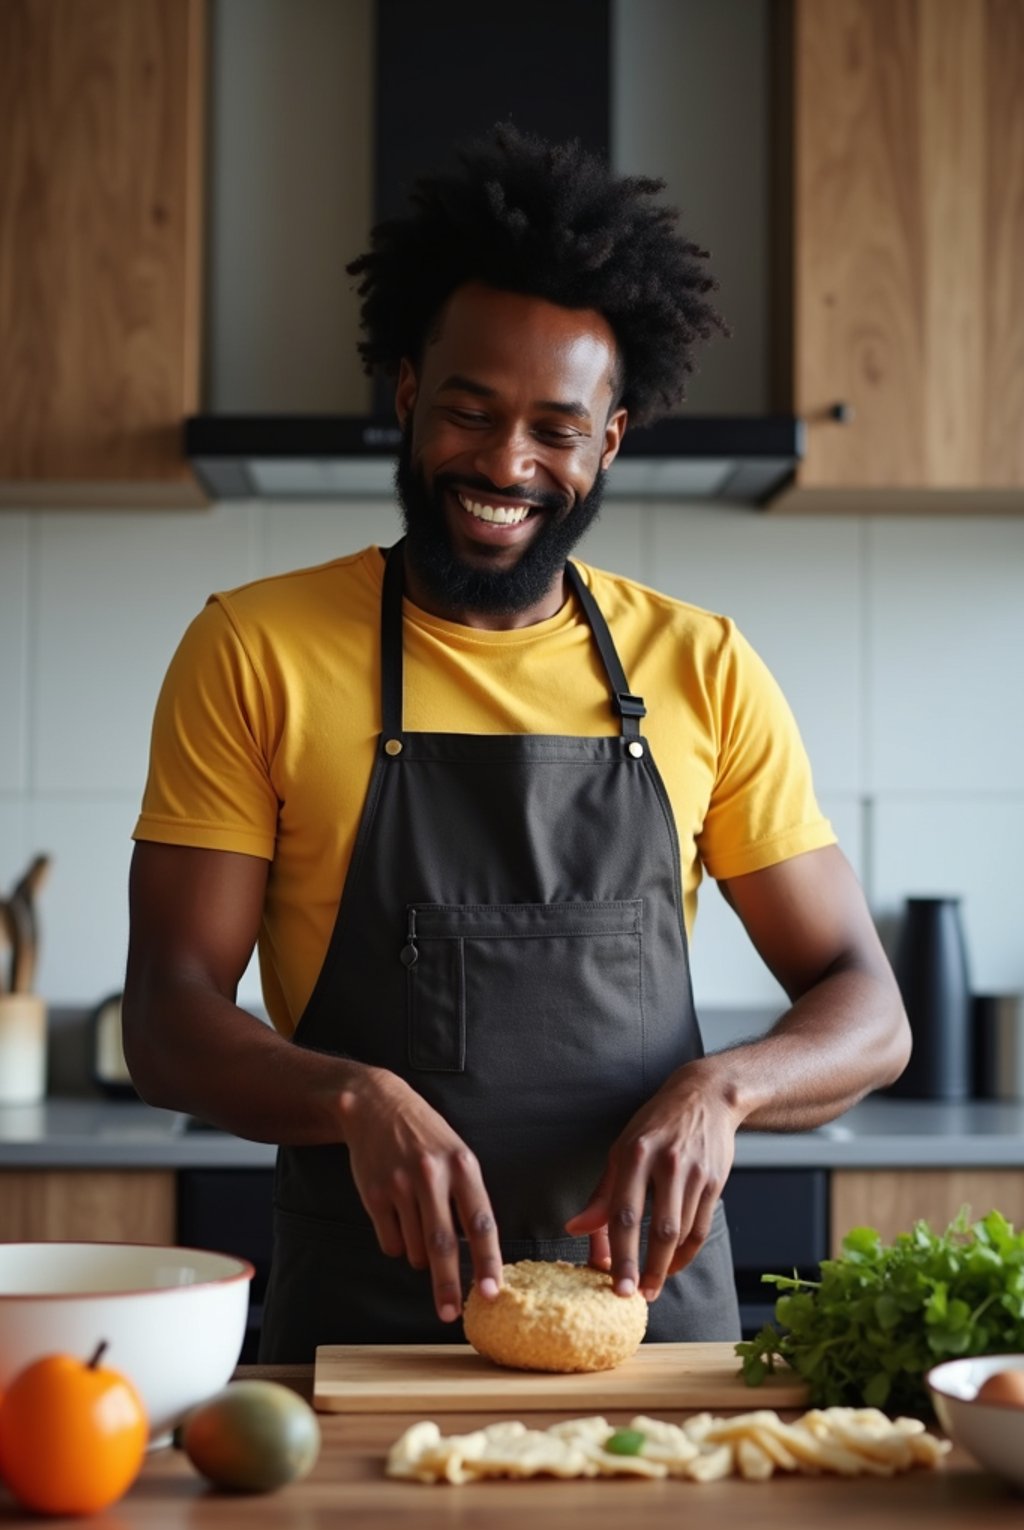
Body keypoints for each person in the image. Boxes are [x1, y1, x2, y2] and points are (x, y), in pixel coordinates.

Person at [123, 125, 911, 1363]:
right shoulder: (253, 649)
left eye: (554, 427)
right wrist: (352, 1093)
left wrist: (727, 1088)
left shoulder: (701, 665)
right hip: (368, 1342)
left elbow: (868, 1007)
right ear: (404, 397)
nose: (504, 464)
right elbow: (166, 1018)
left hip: (648, 1333)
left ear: (610, 441)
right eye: (469, 413)